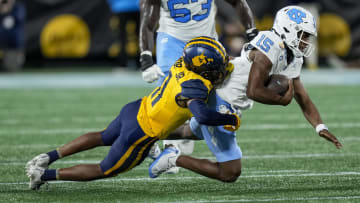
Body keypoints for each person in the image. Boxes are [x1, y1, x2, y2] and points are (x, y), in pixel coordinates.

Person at [148, 6, 343, 182]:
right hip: (223, 100)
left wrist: (320, 126)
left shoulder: (292, 56)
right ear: (288, 29)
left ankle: (146, 137)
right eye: (304, 35)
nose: (306, 41)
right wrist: (281, 100)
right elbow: (254, 90)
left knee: (190, 132)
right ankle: (173, 159)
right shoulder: (270, 45)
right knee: (230, 172)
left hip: (230, 100)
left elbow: (302, 96)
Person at [25, 37, 241, 190]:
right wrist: (229, 118)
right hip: (140, 133)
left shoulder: (183, 62)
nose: (220, 72)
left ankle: (47, 157)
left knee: (103, 136)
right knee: (105, 170)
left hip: (136, 108)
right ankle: (44, 174)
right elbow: (202, 116)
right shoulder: (195, 85)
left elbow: (213, 64)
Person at [139, 0, 258, 162]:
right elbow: (148, 20)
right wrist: (145, 55)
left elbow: (238, 2)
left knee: (212, 94)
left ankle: (184, 130)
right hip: (172, 39)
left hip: (206, 42)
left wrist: (252, 32)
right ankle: (166, 147)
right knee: (170, 96)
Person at [106, 0, 140, 67]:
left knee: (123, 37)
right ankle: (125, 63)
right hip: (122, 8)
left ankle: (124, 63)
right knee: (123, 38)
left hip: (127, 7)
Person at [0, 0, 26, 72]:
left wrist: (7, 10)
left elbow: (12, 22)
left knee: (12, 68)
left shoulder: (18, 8)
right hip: (2, 45)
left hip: (14, 46)